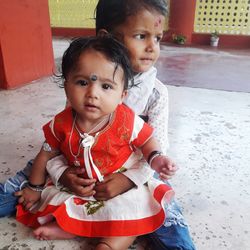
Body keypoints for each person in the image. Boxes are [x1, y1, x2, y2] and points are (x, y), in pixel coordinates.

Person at [0, 0, 196, 249]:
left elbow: (156, 150)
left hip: (135, 166)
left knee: (168, 222)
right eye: (140, 36)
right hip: (79, 160)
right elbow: (64, 137)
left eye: (157, 38)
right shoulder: (85, 80)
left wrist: (128, 181)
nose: (151, 48)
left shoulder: (155, 93)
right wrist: (63, 174)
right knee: (19, 189)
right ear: (108, 38)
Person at [16, 36, 174, 250]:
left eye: (106, 86)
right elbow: (45, 155)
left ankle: (109, 245)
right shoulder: (61, 124)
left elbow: (147, 141)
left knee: (130, 213)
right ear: (66, 87)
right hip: (81, 186)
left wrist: (157, 159)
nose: (92, 93)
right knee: (67, 204)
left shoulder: (126, 120)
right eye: (82, 83)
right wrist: (34, 188)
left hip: (121, 182)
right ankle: (68, 229)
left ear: (122, 95)